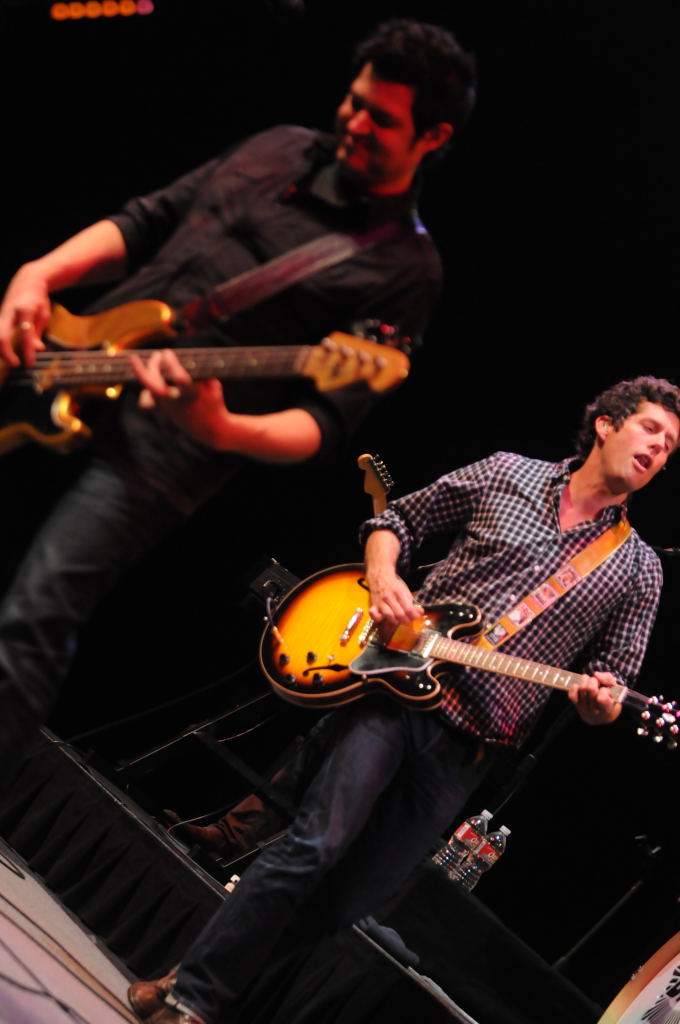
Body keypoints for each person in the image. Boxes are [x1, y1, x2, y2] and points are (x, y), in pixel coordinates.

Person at [0, 19, 478, 782]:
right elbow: (149, 219)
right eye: (354, 102)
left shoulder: (406, 269)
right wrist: (39, 275)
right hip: (61, 366)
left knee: (33, 615)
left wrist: (224, 426)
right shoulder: (276, 146)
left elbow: (322, 425)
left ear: (433, 136)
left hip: (159, 458)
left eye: (381, 119)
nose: (355, 123)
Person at [127, 375, 680, 1024]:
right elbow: (398, 521)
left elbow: (610, 684)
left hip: (471, 746)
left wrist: (599, 702)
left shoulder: (639, 569)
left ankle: (189, 976)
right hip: (396, 697)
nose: (658, 449)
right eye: (651, 429)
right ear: (607, 424)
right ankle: (195, 999)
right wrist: (384, 576)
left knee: (352, 900)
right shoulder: (509, 472)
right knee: (315, 845)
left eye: (670, 447)